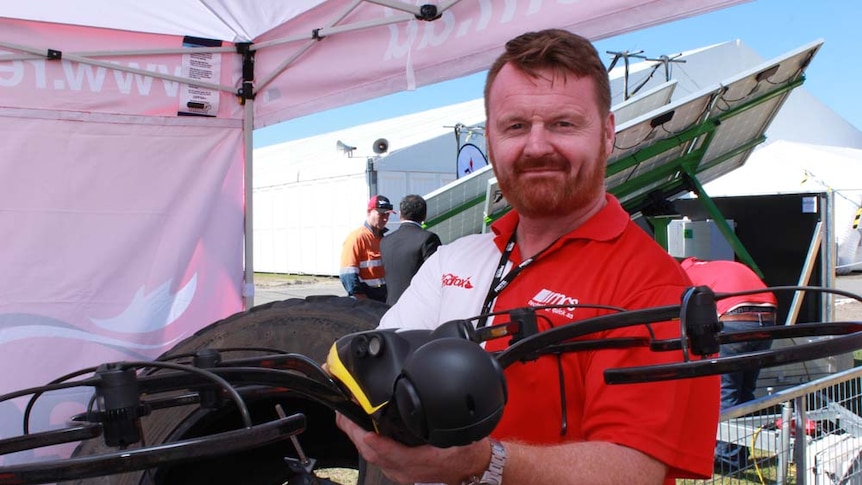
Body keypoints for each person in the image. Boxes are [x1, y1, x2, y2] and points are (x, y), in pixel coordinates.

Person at [335, 29, 719, 485]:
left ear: (608, 133)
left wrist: (483, 462)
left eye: (563, 123)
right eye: (515, 126)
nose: (537, 146)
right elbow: (363, 379)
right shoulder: (455, 260)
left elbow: (633, 470)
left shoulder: (653, 288)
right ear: (492, 140)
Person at [680, 256, 778, 471]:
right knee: (745, 390)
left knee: (726, 390)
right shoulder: (720, 267)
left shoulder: (685, 274)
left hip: (734, 318)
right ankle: (740, 452)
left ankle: (728, 459)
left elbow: (684, 317)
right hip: (767, 317)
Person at [380, 194, 442, 305]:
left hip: (390, 307)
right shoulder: (428, 239)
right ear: (424, 216)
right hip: (418, 307)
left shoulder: (385, 241)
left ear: (400, 214)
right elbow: (435, 276)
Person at [339, 195, 395, 303]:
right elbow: (348, 275)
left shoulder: (384, 239)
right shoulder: (356, 238)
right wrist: (363, 302)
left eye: (387, 214)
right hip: (365, 301)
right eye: (381, 214)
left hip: (382, 299)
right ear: (369, 212)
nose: (385, 218)